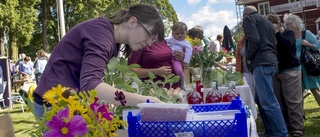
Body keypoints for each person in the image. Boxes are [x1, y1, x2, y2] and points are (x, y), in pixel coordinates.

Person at [33, 3, 164, 120]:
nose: (149, 43)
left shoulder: (110, 37)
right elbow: (90, 85)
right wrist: (144, 101)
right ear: (132, 22)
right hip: (53, 104)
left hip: (66, 103)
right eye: (149, 35)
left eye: (153, 40)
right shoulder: (101, 34)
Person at [242, 6, 288, 137]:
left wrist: (249, 57)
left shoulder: (249, 19)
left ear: (245, 14)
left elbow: (254, 39)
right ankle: (270, 130)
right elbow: (273, 42)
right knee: (259, 98)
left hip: (261, 63)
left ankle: (281, 133)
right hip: (270, 61)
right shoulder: (267, 22)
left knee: (268, 101)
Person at [266, 13, 304, 137]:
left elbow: (287, 45)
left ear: (275, 25)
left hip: (290, 70)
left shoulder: (288, 33)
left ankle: (298, 128)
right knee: (279, 101)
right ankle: (285, 125)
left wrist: (277, 33)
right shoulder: (272, 37)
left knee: (292, 100)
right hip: (277, 72)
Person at [284, 14, 320, 107]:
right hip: (296, 68)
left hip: (308, 67)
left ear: (293, 24)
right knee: (298, 93)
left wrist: (307, 44)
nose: (285, 26)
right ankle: (300, 115)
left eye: (287, 24)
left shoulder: (306, 33)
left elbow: (317, 46)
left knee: (315, 90)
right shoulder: (289, 35)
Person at [166, 22, 192, 91]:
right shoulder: (170, 40)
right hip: (168, 58)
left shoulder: (186, 43)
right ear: (172, 33)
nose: (180, 35)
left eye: (182, 33)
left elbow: (188, 52)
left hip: (176, 59)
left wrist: (185, 62)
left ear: (186, 33)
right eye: (177, 34)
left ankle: (182, 83)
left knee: (179, 71)